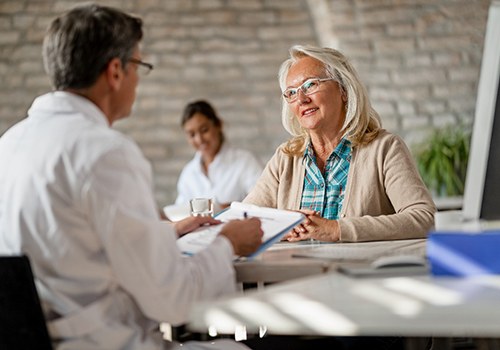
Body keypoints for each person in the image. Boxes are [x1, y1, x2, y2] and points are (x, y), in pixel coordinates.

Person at [0, 4, 263, 350]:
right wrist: (229, 242)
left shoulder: (9, 145)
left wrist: (164, 233)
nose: (138, 79)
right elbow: (173, 299)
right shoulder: (104, 151)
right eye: (138, 65)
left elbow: (77, 247)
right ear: (115, 72)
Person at [244, 45, 436, 243]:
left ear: (343, 90)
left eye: (310, 85)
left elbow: (424, 218)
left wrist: (337, 229)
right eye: (291, 93)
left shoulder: (385, 149)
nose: (301, 99)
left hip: (362, 271)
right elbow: (244, 219)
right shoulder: (285, 158)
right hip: (298, 272)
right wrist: (280, 226)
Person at [175, 100, 263, 211]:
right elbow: (180, 211)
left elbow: (263, 202)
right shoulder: (188, 173)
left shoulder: (245, 161)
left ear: (218, 125)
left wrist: (223, 208)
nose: (199, 139)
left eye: (204, 130)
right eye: (192, 135)